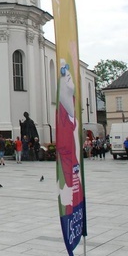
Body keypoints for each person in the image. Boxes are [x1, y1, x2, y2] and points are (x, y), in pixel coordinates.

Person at [56, 58, 84, 217]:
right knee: (73, 193)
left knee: (75, 192)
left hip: (74, 167)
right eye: (66, 76)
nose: (69, 77)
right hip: (70, 169)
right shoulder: (64, 114)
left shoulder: (70, 108)